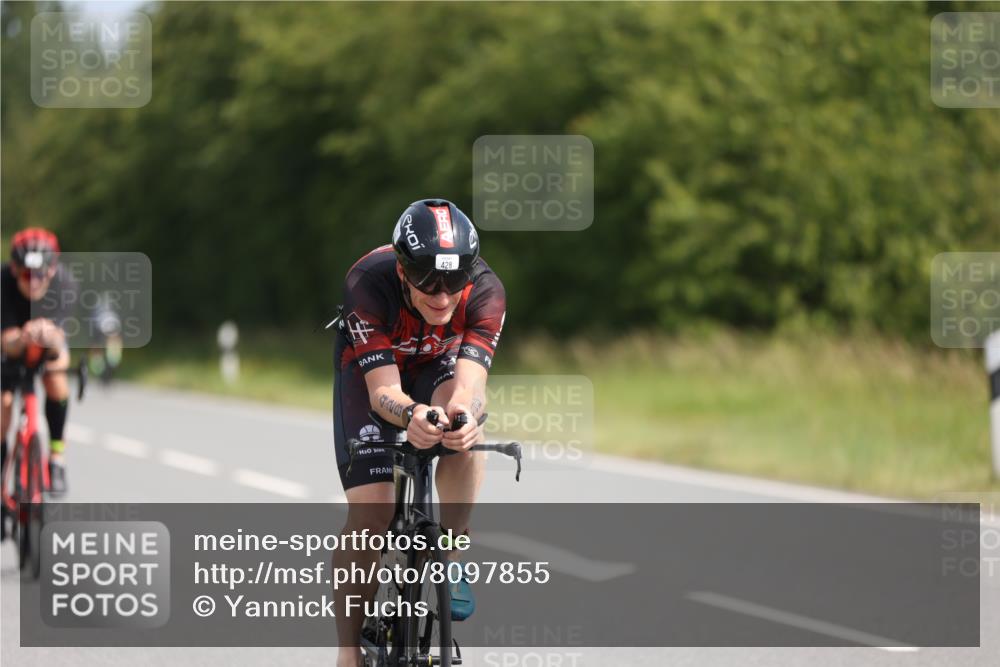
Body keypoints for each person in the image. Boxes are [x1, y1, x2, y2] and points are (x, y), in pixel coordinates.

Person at [332, 199, 506, 667]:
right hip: (370, 370)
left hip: (439, 365)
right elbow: (382, 390)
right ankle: (348, 650)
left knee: (463, 429)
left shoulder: (487, 291)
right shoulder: (368, 283)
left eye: (454, 281)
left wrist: (462, 417)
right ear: (402, 269)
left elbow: (470, 385)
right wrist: (410, 415)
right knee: (372, 512)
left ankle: (452, 549)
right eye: (428, 279)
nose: (443, 296)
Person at [1, 228, 74, 503]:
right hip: (8, 349)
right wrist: (22, 337)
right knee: (3, 412)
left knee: (57, 379)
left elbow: (60, 346)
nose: (33, 283)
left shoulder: (65, 285)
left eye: (40, 275)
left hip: (46, 347)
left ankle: (57, 457)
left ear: (52, 272)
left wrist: (49, 336)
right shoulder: (2, 283)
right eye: (25, 275)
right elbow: (6, 340)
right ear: (14, 269)